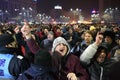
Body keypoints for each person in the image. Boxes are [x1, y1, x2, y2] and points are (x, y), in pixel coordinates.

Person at [20, 23, 89, 80]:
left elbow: (84, 76)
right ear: (54, 49)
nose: (62, 46)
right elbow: (36, 50)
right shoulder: (50, 56)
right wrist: (28, 35)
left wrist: (77, 78)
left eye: (64, 45)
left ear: (68, 48)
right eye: (58, 45)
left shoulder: (74, 59)